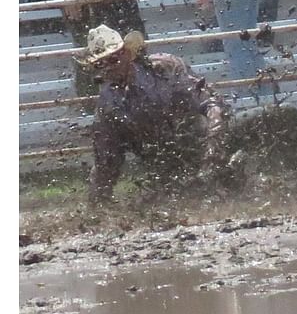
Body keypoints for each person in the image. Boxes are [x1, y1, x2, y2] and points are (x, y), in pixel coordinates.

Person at [80, 25, 230, 205]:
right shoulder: (107, 106)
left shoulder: (165, 68)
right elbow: (105, 163)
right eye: (99, 64)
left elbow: (211, 103)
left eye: (112, 59)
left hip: (200, 145)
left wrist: (213, 144)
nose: (107, 69)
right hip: (162, 165)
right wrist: (96, 205)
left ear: (127, 53)